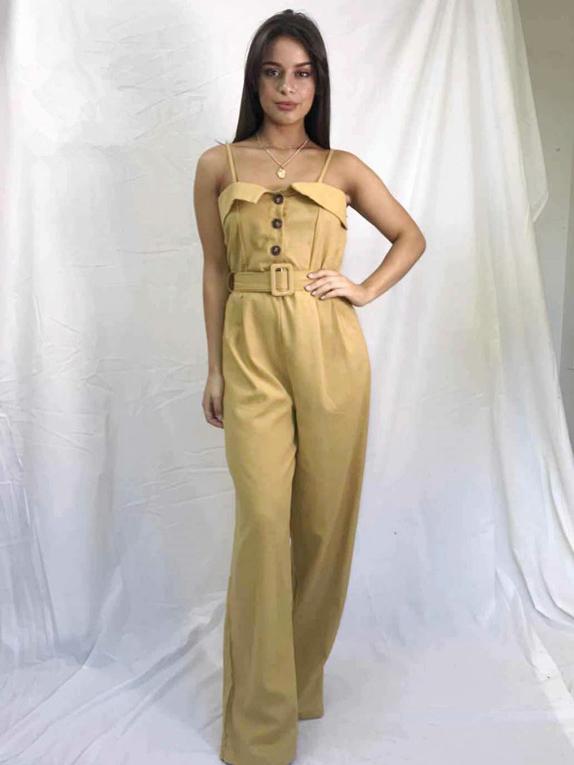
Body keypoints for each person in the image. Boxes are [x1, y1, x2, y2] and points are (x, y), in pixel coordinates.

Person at [193, 9, 426, 765]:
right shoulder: (219, 164)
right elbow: (216, 270)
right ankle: (260, 729)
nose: (287, 87)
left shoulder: (342, 167)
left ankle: (297, 678)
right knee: (264, 523)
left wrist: (362, 288)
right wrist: (215, 366)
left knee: (323, 528)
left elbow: (410, 236)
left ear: (318, 82)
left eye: (301, 73)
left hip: (329, 349)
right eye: (273, 72)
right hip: (251, 347)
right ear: (254, 80)